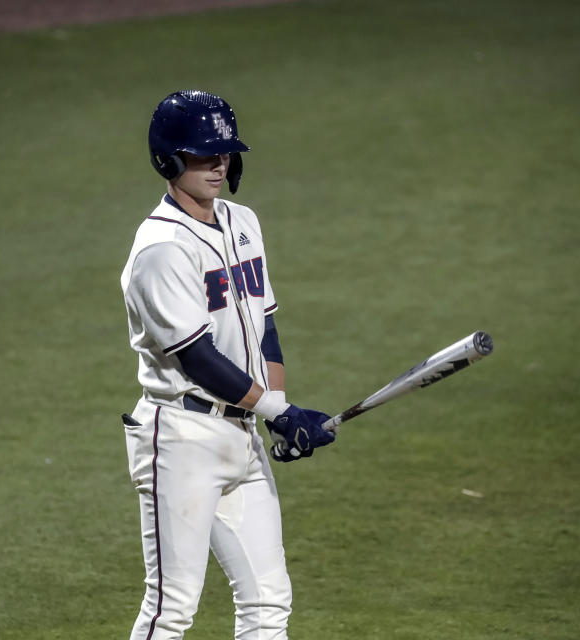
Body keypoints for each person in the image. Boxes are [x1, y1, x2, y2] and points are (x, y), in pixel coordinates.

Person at [120, 90, 336, 640]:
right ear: (169, 159)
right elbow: (196, 358)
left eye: (226, 153)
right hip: (181, 438)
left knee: (267, 603)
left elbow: (265, 328)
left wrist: (276, 410)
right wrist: (277, 412)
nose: (218, 164)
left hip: (241, 431)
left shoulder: (243, 222)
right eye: (203, 154)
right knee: (171, 610)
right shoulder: (162, 248)